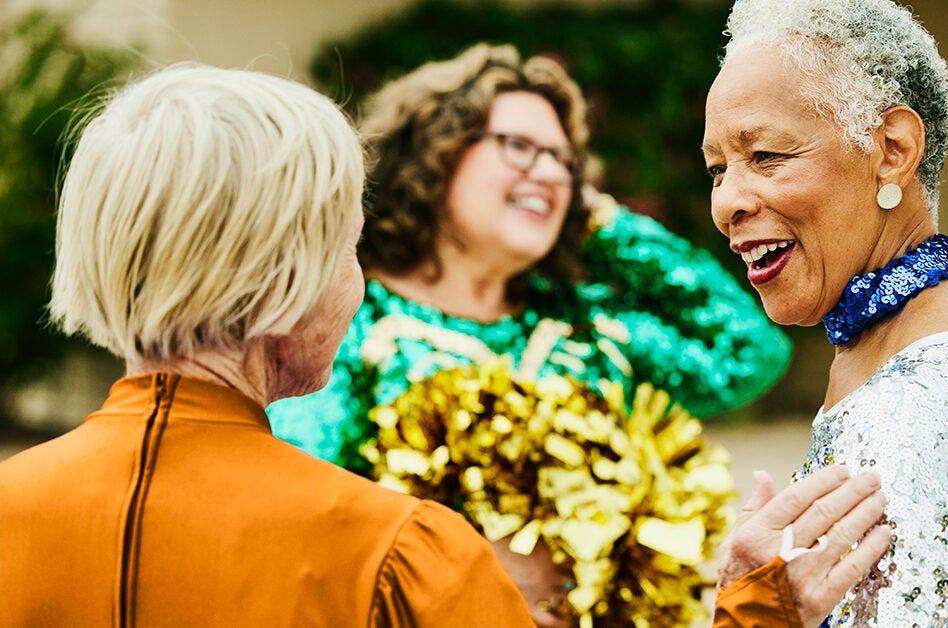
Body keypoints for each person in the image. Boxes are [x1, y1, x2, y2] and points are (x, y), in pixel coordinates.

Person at [0, 62, 889, 627]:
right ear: (285, 277)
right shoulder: (397, 552)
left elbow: (742, 346)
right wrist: (756, 614)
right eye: (349, 244)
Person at [265, 43, 794, 625]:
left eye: (563, 161)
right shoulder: (356, 319)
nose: (546, 170)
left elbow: (747, 348)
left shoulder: (584, 324)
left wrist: (596, 219)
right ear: (435, 153)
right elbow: (298, 504)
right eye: (518, 146)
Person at [702, 0, 948, 625]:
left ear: (893, 150)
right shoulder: (937, 330)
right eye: (717, 169)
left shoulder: (919, 405)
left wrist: (750, 611)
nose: (728, 202)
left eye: (765, 156)